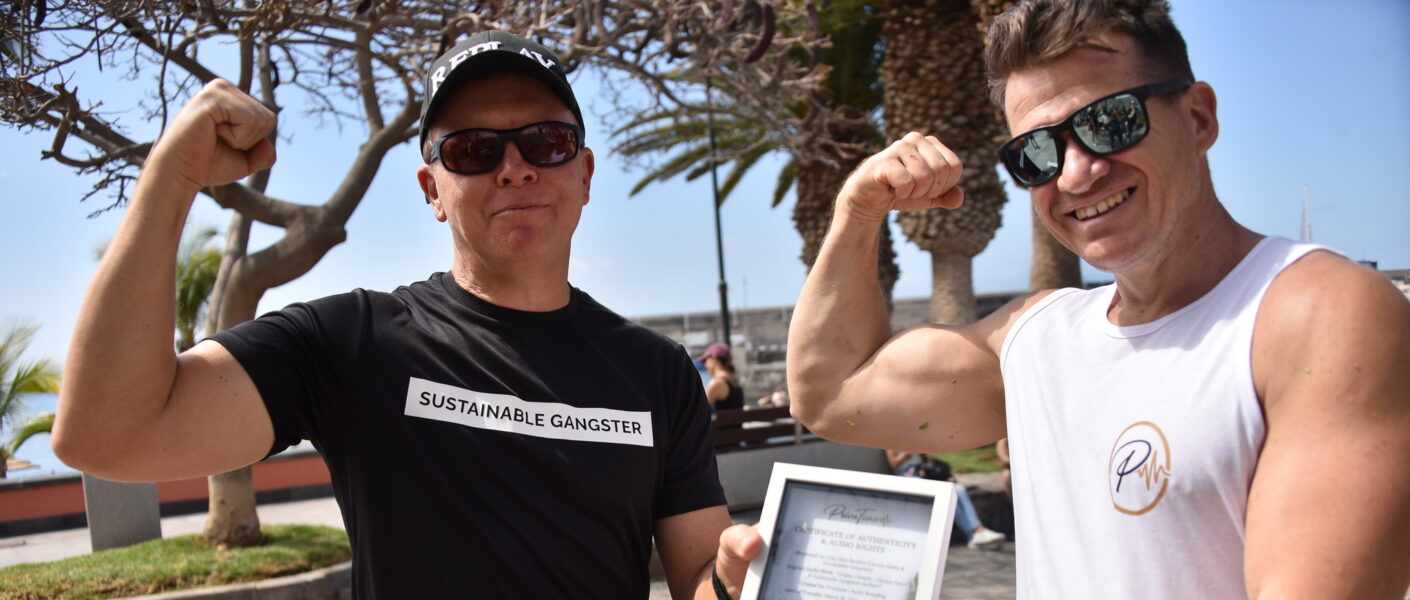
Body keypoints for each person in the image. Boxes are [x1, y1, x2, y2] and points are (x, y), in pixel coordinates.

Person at [52, 30, 756, 599]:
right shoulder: (352, 344)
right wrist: (171, 176)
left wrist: (730, 582)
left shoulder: (658, 372)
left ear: (584, 172)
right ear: (432, 190)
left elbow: (700, 574)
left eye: (546, 142)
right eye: (472, 150)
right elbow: (105, 435)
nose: (515, 167)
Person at [784, 0, 1410, 597]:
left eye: (1110, 123)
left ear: (1198, 118)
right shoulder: (1036, 341)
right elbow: (831, 394)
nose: (1077, 173)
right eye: (1038, 152)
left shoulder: (1314, 316)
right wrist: (857, 210)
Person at [885, 450, 1006, 550]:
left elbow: (924, 460)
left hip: (924, 474)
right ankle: (974, 532)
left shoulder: (915, 436)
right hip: (908, 477)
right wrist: (908, 452)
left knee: (958, 489)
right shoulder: (893, 439)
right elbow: (894, 464)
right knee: (947, 494)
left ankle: (977, 530)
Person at [699, 342, 745, 413]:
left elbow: (700, 411)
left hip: (723, 420)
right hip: (736, 420)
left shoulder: (717, 383)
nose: (705, 364)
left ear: (714, 359)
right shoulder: (734, 380)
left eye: (705, 360)